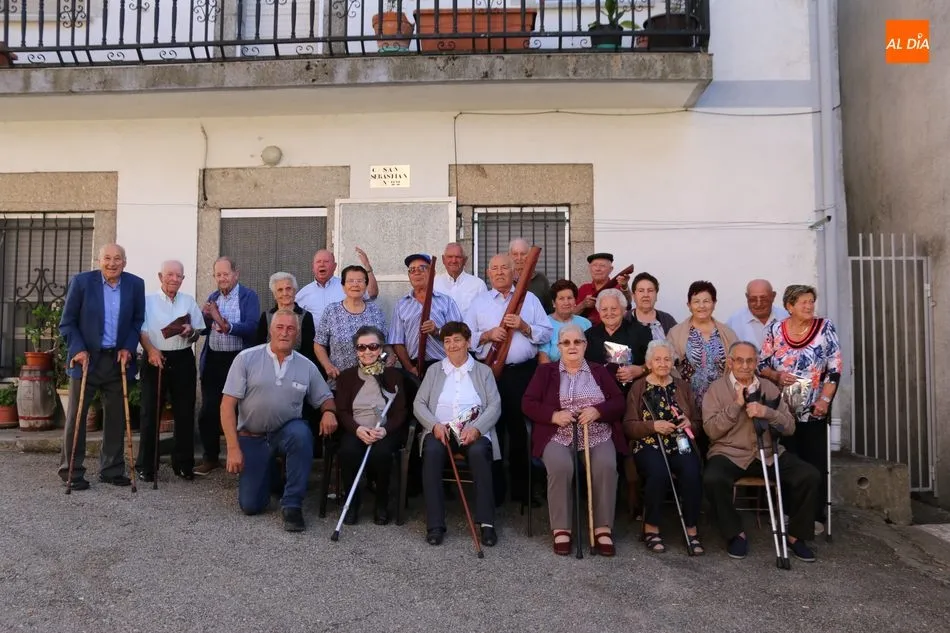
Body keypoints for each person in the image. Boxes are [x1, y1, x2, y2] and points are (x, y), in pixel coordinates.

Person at [220, 310, 337, 532]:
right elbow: (227, 406)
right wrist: (233, 448)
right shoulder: (246, 358)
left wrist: (329, 412)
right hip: (252, 436)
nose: (285, 333)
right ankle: (272, 475)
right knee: (251, 506)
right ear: (270, 330)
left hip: (285, 434)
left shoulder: (307, 366)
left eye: (290, 328)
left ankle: (292, 505)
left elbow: (326, 398)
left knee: (302, 433)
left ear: (297, 334)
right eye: (280, 327)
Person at [703, 341, 820, 562]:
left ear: (757, 362)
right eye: (739, 360)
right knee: (713, 478)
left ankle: (796, 536)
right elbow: (711, 430)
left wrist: (767, 412)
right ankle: (735, 533)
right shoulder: (716, 389)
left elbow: (789, 427)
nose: (745, 366)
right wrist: (736, 405)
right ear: (730, 363)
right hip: (730, 453)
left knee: (809, 475)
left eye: (750, 361)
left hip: (767, 453)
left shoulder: (769, 388)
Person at [522, 324, 626, 556]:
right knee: (561, 467)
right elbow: (528, 403)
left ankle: (602, 528)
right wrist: (554, 416)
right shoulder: (545, 372)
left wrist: (598, 411)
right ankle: (562, 528)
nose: (572, 346)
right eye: (566, 342)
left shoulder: (599, 371)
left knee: (606, 466)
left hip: (596, 433)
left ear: (585, 345)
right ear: (558, 347)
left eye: (577, 341)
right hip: (558, 434)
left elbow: (619, 402)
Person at [465, 253, 552, 506]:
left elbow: (546, 333)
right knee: (492, 429)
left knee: (519, 431)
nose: (500, 272)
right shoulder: (479, 302)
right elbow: (466, 337)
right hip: (488, 372)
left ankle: (522, 491)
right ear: (488, 274)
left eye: (505, 268)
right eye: (495, 268)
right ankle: (495, 491)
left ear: (515, 272)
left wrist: (525, 327)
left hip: (522, 373)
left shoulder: (529, 299)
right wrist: (487, 335)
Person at [57, 243, 145, 489]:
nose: (112, 263)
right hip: (87, 360)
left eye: (117, 259)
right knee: (77, 417)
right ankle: (71, 471)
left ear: (125, 262)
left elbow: (137, 321)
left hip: (117, 360)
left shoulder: (135, 284)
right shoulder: (82, 282)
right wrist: (78, 349)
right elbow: (67, 322)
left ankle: (112, 469)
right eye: (107, 258)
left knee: (116, 417)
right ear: (99, 261)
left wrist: (128, 347)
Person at [758, 284, 842, 534]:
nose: (809, 306)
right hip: (782, 411)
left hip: (814, 409)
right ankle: (787, 511)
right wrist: (776, 375)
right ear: (789, 306)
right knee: (787, 459)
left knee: (814, 461)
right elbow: (761, 365)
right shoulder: (775, 329)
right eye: (803, 302)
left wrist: (824, 401)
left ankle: (814, 515)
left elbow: (835, 368)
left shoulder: (825, 327)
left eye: (811, 301)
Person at [413, 321, 502, 547]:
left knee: (479, 453)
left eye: (457, 340)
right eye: (447, 341)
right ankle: (435, 525)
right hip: (441, 430)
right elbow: (419, 403)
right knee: (432, 452)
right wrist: (434, 425)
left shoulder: (483, 371)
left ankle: (486, 523)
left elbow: (494, 405)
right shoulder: (435, 371)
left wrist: (477, 428)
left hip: (473, 431)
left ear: (468, 342)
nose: (452, 345)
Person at [624, 340, 703, 554]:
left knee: (692, 471)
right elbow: (629, 426)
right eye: (657, 359)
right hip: (648, 443)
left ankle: (691, 528)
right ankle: (651, 527)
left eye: (667, 359)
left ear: (673, 362)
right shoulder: (638, 387)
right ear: (649, 363)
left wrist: (689, 423)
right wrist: (653, 426)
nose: (662, 363)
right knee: (658, 472)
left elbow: (698, 423)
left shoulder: (683, 387)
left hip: (680, 442)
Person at [137, 259, 204, 482]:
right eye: (170, 275)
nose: (174, 279)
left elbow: (197, 333)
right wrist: (151, 351)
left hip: (182, 358)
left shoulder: (188, 301)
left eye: (179, 276)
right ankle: (147, 466)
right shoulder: (148, 302)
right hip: (154, 356)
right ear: (160, 276)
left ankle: (184, 464)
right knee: (150, 412)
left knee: (184, 413)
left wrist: (190, 331)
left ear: (183, 279)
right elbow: (142, 332)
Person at [334, 326, 407, 526]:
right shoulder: (346, 376)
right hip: (356, 429)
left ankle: (381, 503)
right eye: (362, 347)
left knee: (381, 454)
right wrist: (357, 429)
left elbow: (400, 411)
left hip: (384, 429)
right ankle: (352, 503)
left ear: (381, 348)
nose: (367, 352)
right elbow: (342, 411)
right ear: (356, 350)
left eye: (373, 347)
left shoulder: (393, 376)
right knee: (348, 451)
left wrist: (385, 430)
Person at [195, 256, 261, 477]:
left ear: (236, 274)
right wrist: (204, 319)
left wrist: (226, 325)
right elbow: (205, 329)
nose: (222, 278)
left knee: (242, 410)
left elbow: (252, 327)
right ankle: (210, 458)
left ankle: (243, 458)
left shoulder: (249, 296)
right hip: (214, 360)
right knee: (208, 411)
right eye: (218, 275)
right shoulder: (213, 297)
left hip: (238, 360)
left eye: (226, 274)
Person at [667, 280, 738, 422]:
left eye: (706, 301)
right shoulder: (676, 333)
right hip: (689, 401)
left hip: (721, 400)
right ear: (688, 305)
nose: (701, 306)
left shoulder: (727, 333)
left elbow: (737, 365)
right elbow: (669, 366)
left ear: (714, 303)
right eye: (696, 301)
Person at [389, 254, 463, 377]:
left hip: (444, 366)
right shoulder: (401, 305)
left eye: (422, 268)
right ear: (409, 275)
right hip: (414, 367)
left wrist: (437, 331)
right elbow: (397, 342)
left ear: (432, 273)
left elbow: (459, 335)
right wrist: (410, 368)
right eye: (412, 270)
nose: (417, 272)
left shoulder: (446, 302)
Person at [314, 265, 390, 383]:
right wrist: (328, 366)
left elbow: (386, 345)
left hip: (373, 381)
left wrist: (388, 358)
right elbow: (319, 344)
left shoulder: (375, 311)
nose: (355, 284)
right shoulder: (332, 311)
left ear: (366, 285)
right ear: (343, 286)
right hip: (340, 380)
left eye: (360, 281)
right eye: (350, 281)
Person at [584, 288, 652, 397]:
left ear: (623, 309)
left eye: (614, 309)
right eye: (604, 309)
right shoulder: (588, 336)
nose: (609, 313)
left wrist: (641, 370)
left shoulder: (641, 332)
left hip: (633, 396)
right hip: (598, 397)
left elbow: (654, 362)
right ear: (598, 311)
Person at [295, 248, 379, 326]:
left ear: (334, 266)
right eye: (318, 262)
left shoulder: (346, 286)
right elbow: (291, 312)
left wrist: (367, 267)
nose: (322, 264)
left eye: (326, 261)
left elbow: (372, 293)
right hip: (315, 337)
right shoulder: (304, 293)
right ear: (313, 267)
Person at [255, 272, 317, 365]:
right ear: (274, 295)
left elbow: (309, 350)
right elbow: (259, 346)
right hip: (269, 365)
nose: (285, 293)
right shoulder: (266, 316)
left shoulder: (306, 316)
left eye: (288, 289)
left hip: (298, 365)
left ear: (294, 291)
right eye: (280, 290)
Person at [538, 279, 592, 364]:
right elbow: (543, 357)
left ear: (575, 301)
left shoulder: (586, 323)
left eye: (569, 298)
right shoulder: (545, 323)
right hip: (554, 370)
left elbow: (591, 354)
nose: (566, 302)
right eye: (561, 298)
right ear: (554, 303)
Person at [726, 279, 789, 351]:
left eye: (763, 299)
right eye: (753, 299)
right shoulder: (734, 323)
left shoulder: (786, 318)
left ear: (773, 296)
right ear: (747, 297)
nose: (759, 304)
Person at [576, 253, 631, 326]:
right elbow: (570, 315)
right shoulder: (583, 289)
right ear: (589, 268)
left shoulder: (618, 288)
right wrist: (583, 305)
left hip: (613, 330)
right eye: (594, 265)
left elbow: (628, 304)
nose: (598, 269)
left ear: (611, 269)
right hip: (588, 331)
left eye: (602, 266)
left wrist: (624, 286)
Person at [433, 242, 487, 315]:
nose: (454, 261)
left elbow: (484, 314)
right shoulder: (434, 283)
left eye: (458, 257)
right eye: (450, 257)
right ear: (443, 259)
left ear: (465, 260)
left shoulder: (478, 285)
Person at [626, 272, 677, 340]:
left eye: (650, 291)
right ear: (633, 296)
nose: (646, 295)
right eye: (641, 291)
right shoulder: (624, 319)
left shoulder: (668, 320)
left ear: (656, 296)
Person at [509, 238, 553, 314]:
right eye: (515, 254)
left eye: (523, 254)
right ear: (509, 256)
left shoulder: (541, 279)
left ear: (529, 255)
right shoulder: (504, 279)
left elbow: (548, 309)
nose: (519, 258)